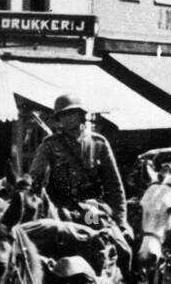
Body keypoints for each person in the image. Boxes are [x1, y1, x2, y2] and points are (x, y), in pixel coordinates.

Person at [28, 94, 127, 229]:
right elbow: (34, 179)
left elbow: (114, 187)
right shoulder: (50, 145)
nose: (66, 119)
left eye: (71, 113)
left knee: (99, 238)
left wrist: (121, 221)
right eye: (62, 115)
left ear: (80, 114)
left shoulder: (98, 144)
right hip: (61, 211)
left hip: (92, 208)